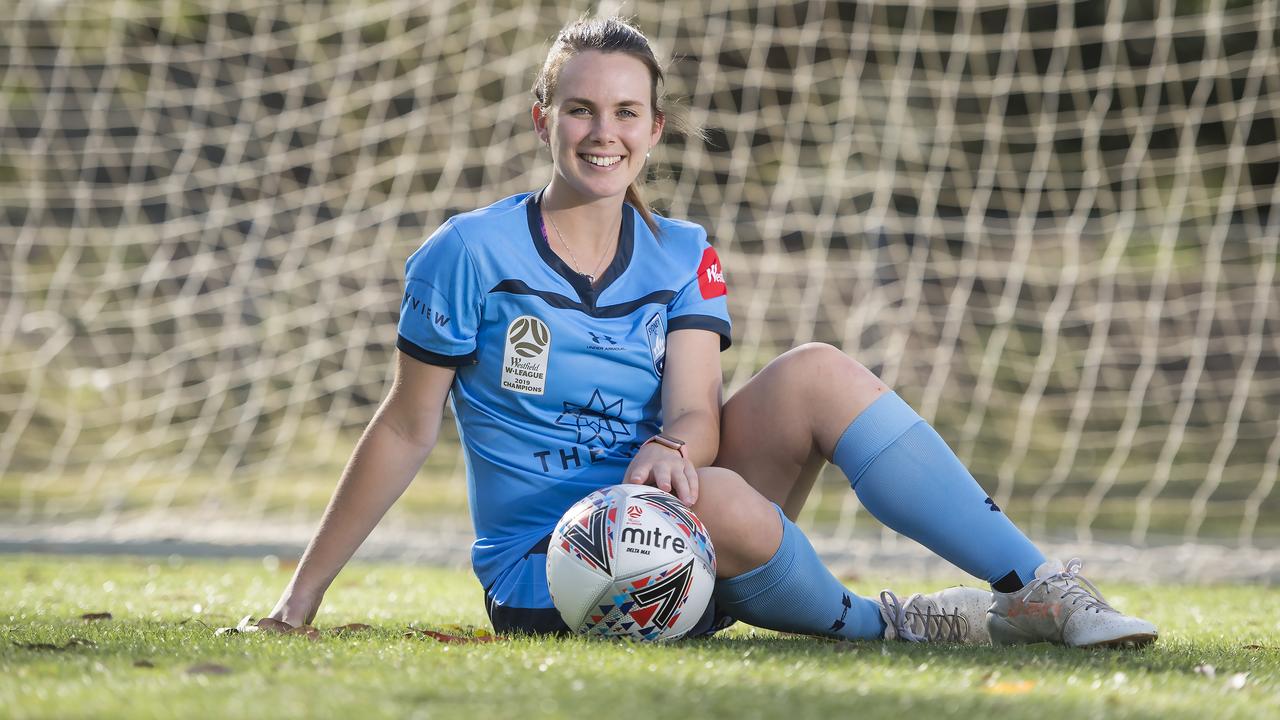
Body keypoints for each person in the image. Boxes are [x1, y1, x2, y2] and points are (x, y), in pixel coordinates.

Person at [267, 16, 1157, 648]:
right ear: (545, 119)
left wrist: (669, 446)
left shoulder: (683, 251)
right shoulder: (466, 253)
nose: (601, 133)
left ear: (654, 130)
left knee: (814, 371)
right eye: (579, 109)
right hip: (554, 572)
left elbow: (696, 410)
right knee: (722, 503)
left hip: (680, 523)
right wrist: (300, 599)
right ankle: (883, 622)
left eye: (625, 114)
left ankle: (1040, 590)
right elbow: (404, 426)